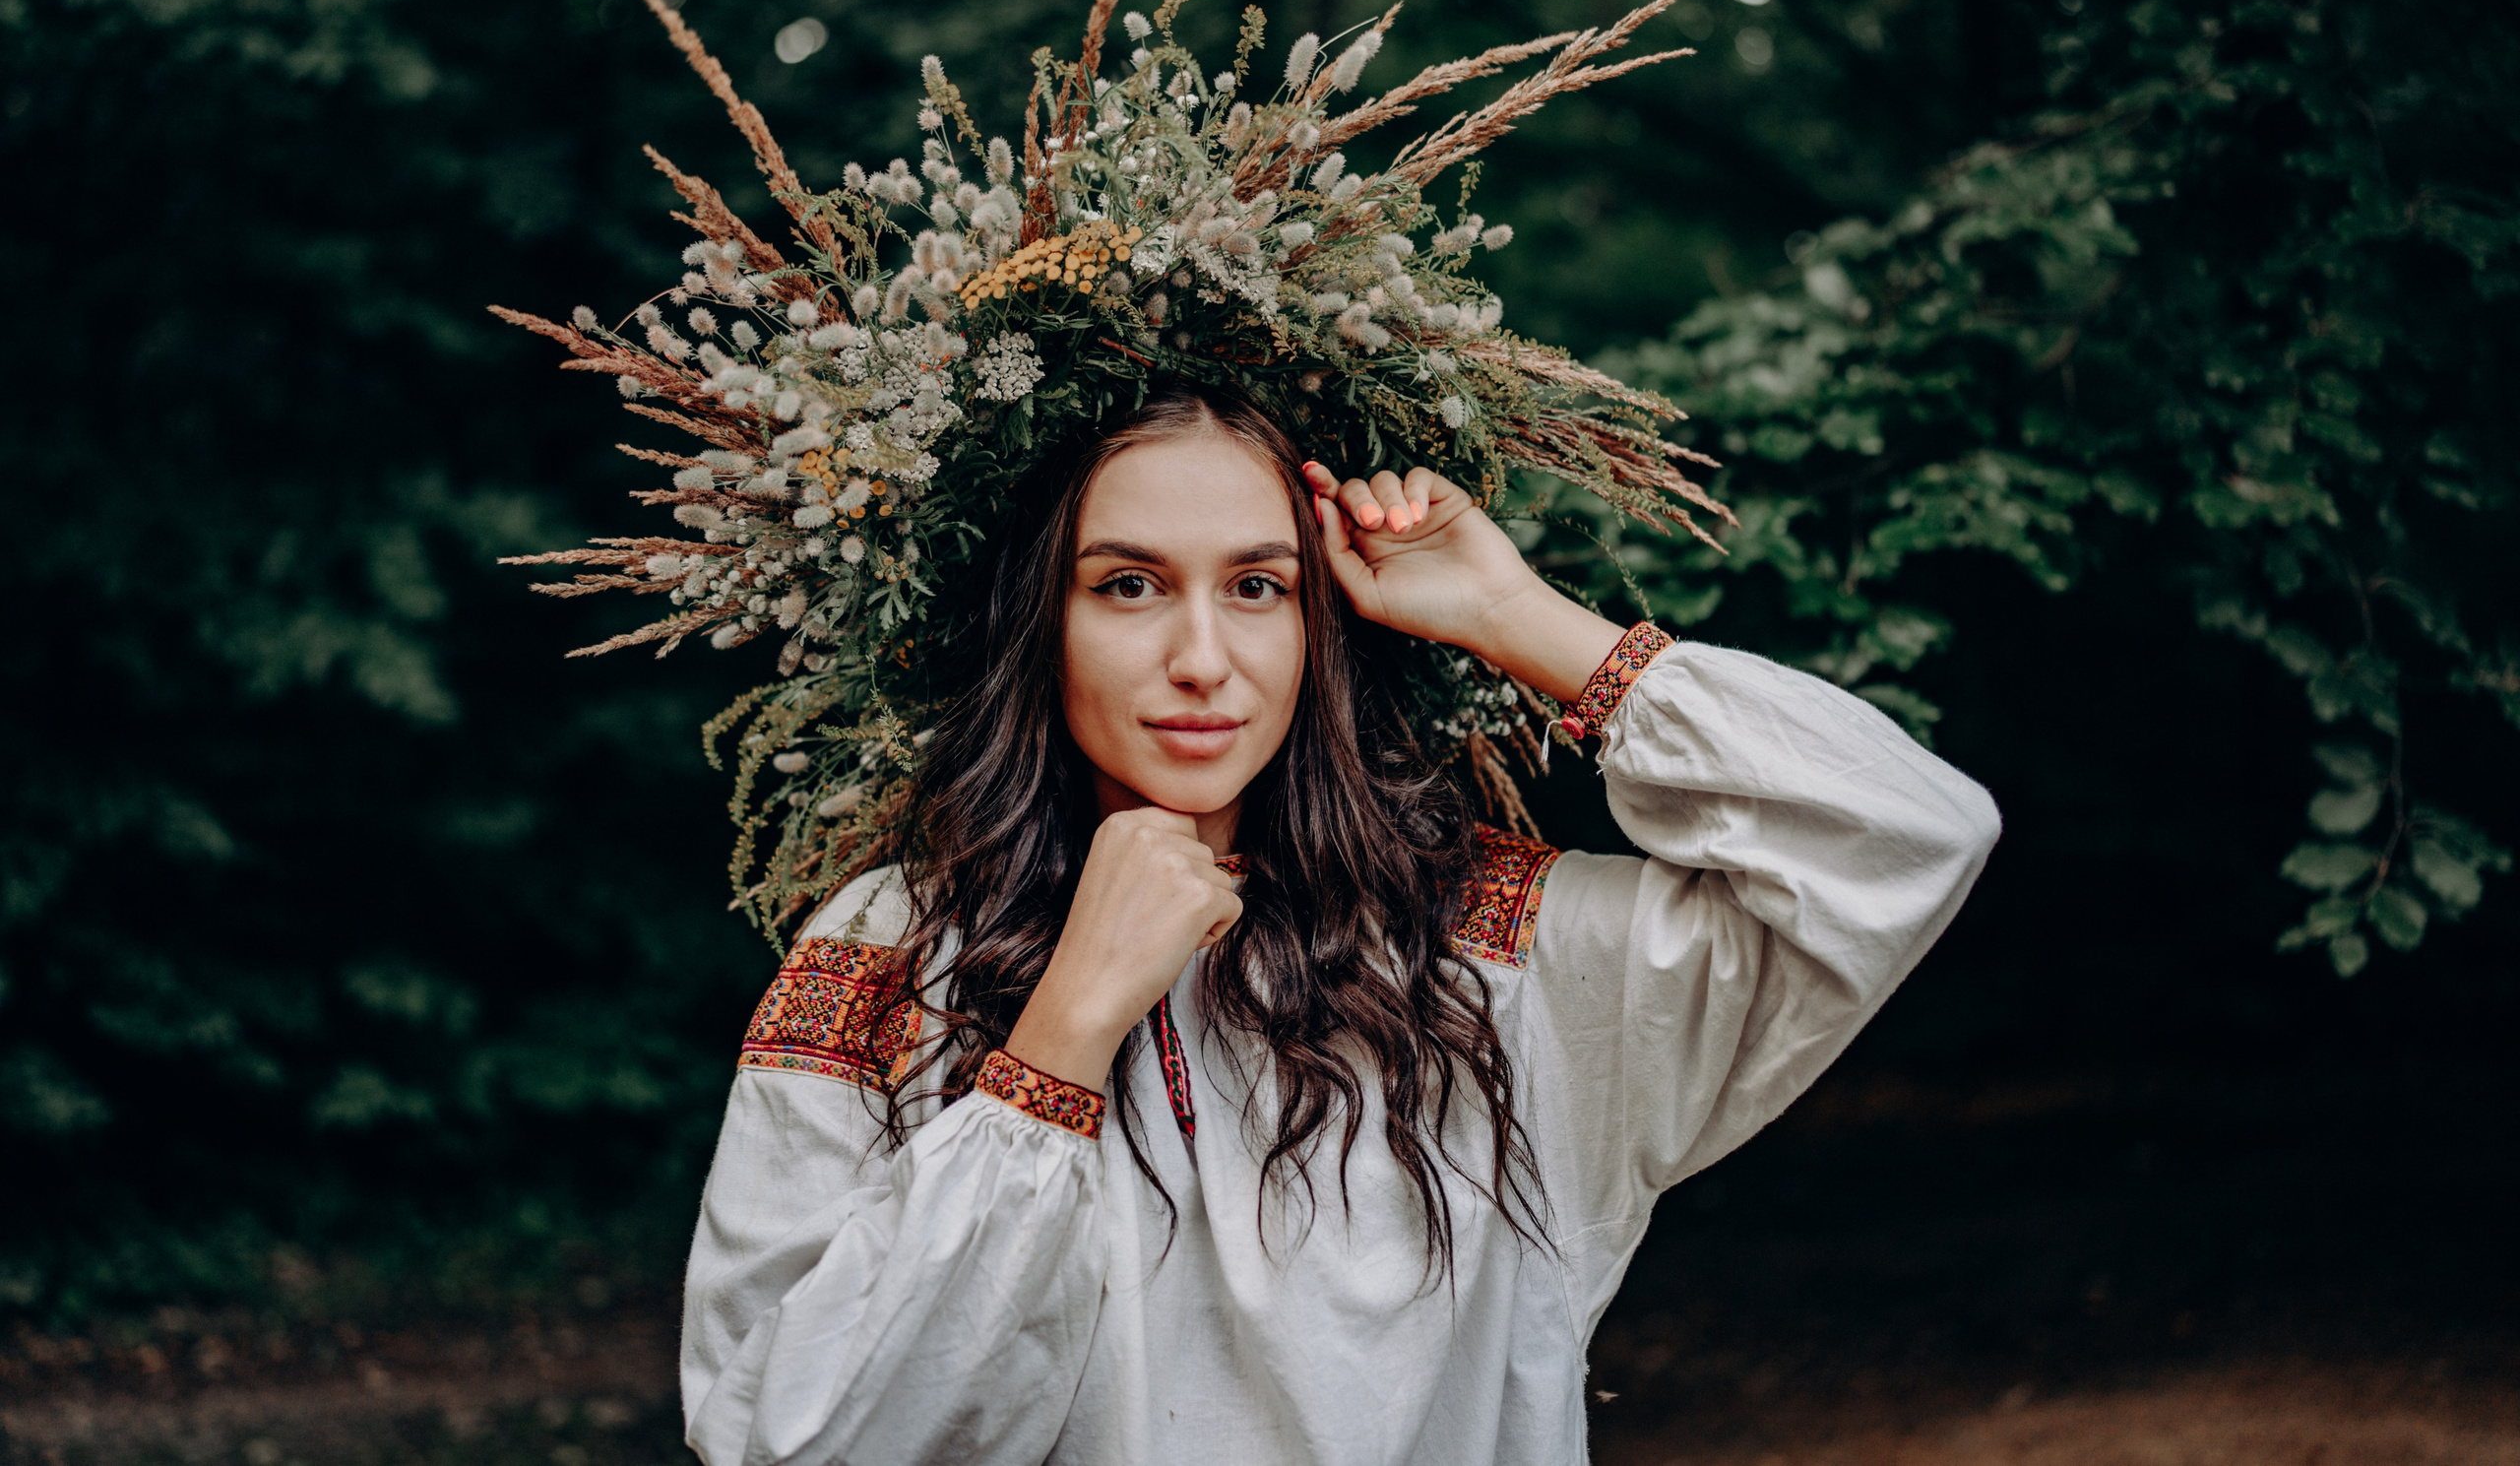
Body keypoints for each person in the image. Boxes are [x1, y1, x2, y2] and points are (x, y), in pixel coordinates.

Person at [675, 382, 2000, 1466]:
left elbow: (1907, 837)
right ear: (1039, 621)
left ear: (1321, 624)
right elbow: (785, 1438)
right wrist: (1065, 1031)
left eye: (1259, 587)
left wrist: (1518, 619)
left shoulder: (1485, 954)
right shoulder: (889, 953)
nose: (1203, 658)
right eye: (1128, 585)